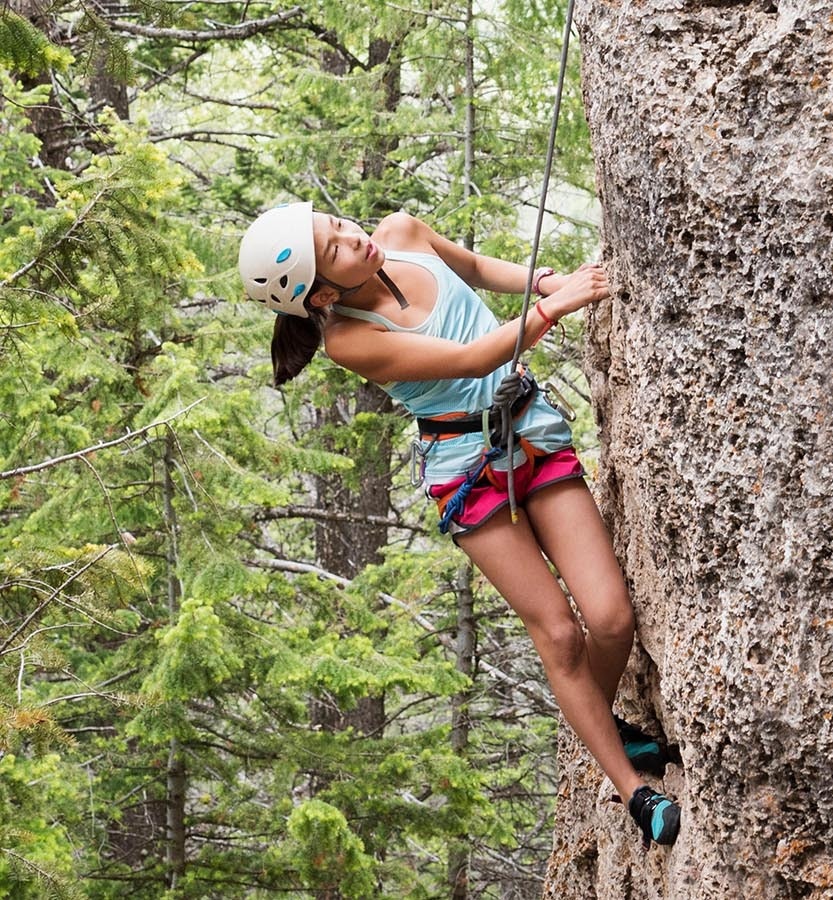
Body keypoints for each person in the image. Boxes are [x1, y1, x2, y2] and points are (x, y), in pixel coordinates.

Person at [237, 201, 681, 847]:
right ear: (324, 292)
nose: (352, 235)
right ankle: (632, 789)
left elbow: (470, 265)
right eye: (334, 247)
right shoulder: (349, 339)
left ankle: (602, 726)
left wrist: (544, 281)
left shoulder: (403, 232)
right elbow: (473, 359)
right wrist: (551, 310)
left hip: (531, 433)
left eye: (337, 224)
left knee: (611, 619)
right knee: (557, 632)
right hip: (465, 467)